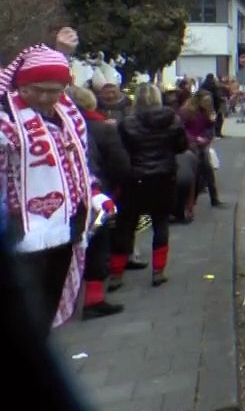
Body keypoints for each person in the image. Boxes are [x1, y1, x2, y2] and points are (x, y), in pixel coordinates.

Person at [0, 44, 95, 335]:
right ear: (20, 85)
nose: (44, 97)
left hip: (66, 227)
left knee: (46, 308)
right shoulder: (7, 118)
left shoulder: (69, 115)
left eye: (53, 90)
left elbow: (82, 162)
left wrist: (94, 194)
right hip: (22, 231)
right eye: (35, 89)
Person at [112, 83, 188, 288]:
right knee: (160, 223)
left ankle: (116, 274)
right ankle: (158, 271)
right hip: (164, 176)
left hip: (134, 179)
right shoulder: (172, 119)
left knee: (126, 225)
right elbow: (182, 146)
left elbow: (120, 152)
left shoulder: (126, 123)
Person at [65, 84, 127, 318]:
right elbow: (119, 164)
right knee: (98, 243)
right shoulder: (102, 128)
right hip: (96, 193)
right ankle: (94, 299)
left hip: (67, 196)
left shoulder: (55, 126)